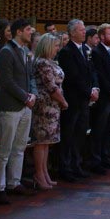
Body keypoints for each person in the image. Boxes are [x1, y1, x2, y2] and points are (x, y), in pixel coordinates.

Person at [0, 19, 37, 205]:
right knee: (5, 148)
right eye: (28, 30)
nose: (31, 33)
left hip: (26, 105)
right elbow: (7, 81)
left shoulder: (25, 51)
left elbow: (31, 76)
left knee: (20, 147)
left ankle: (14, 182)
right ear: (18, 32)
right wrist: (25, 97)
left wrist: (33, 94)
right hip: (11, 105)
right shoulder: (6, 51)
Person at [57, 19, 98, 181]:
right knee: (69, 134)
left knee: (80, 133)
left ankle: (77, 164)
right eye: (81, 30)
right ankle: (65, 167)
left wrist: (95, 88)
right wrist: (89, 92)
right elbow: (73, 76)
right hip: (73, 99)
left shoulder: (85, 50)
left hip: (84, 99)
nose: (84, 32)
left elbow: (92, 71)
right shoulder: (66, 52)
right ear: (72, 33)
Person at [31, 33, 68, 190]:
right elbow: (51, 86)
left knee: (47, 142)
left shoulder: (50, 62)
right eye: (55, 46)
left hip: (53, 106)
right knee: (41, 141)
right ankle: (39, 174)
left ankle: (45, 172)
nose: (57, 49)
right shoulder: (42, 63)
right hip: (44, 106)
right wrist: (63, 101)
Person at [90, 23, 110, 170]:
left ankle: (107, 158)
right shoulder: (97, 52)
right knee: (100, 130)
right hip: (104, 97)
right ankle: (96, 161)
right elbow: (100, 75)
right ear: (102, 36)